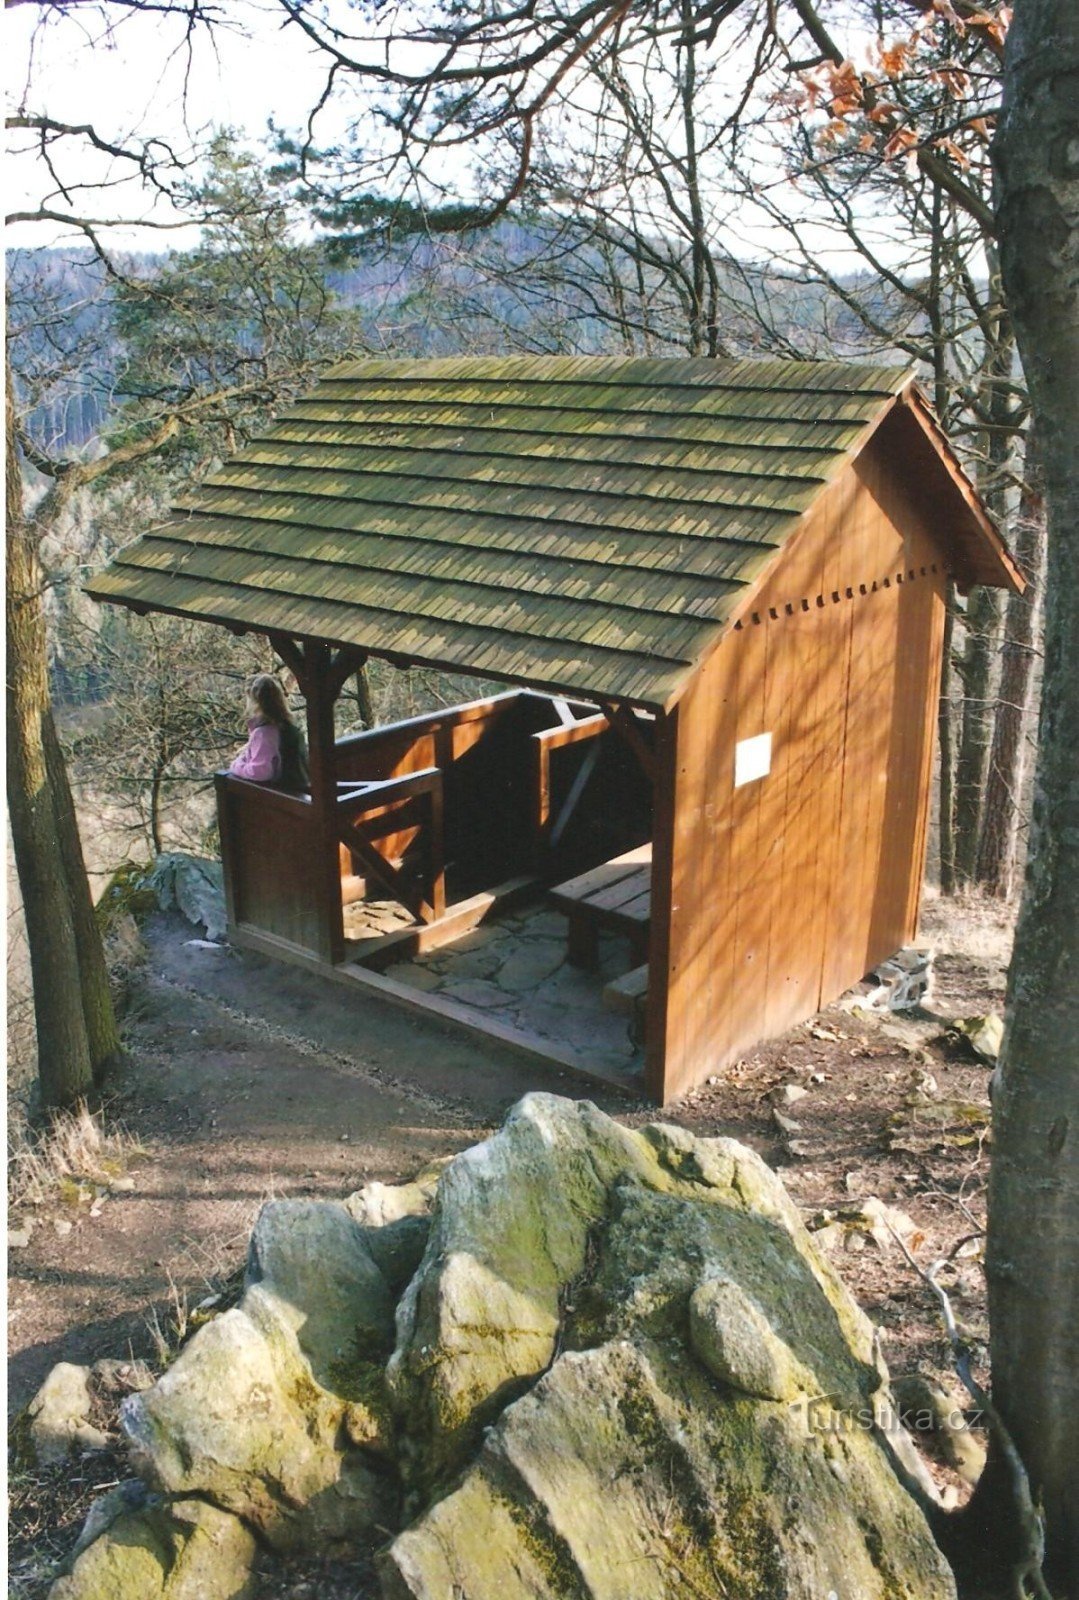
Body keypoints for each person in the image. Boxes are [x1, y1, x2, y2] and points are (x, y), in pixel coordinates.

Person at [229, 674, 309, 791]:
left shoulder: (264, 733)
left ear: (255, 702)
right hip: (299, 791)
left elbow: (260, 772)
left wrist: (236, 766)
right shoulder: (288, 725)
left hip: (284, 797)